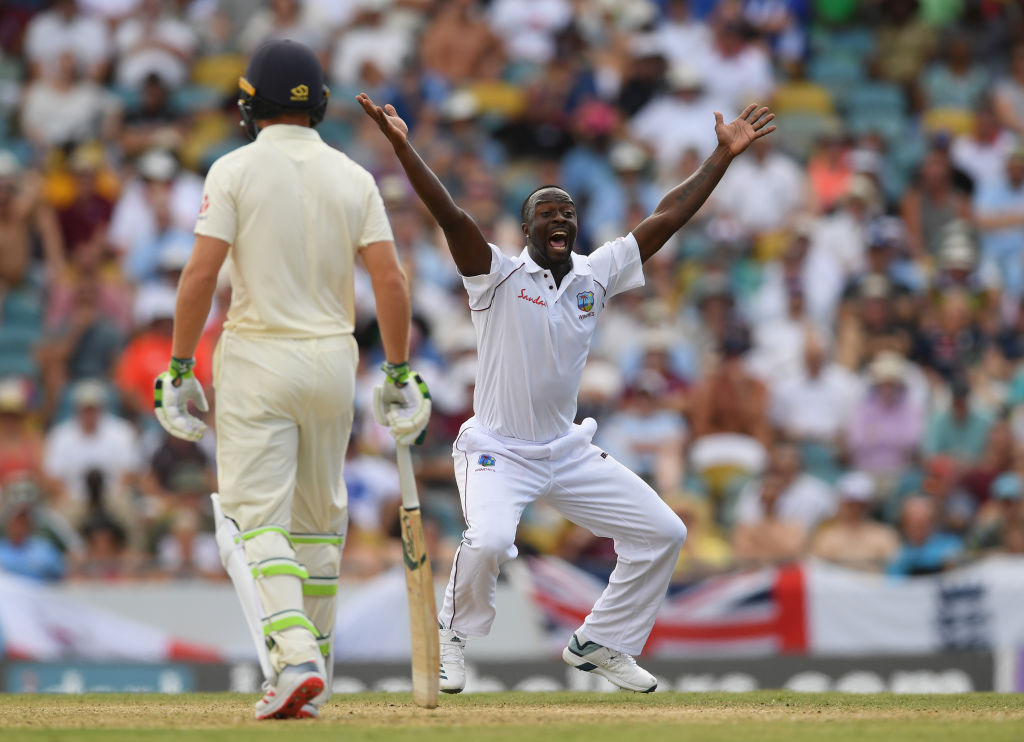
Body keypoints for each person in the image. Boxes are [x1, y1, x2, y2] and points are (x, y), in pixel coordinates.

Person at [358, 89, 776, 693]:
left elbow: (667, 215)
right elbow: (450, 216)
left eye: (568, 213)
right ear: (525, 228)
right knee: (492, 539)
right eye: (547, 214)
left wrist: (722, 157)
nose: (560, 219)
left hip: (568, 451)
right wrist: (404, 148)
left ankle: (601, 642)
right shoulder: (496, 276)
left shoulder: (594, 274)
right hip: (497, 451)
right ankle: (452, 633)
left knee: (664, 533)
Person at [151, 41, 428, 721]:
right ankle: (314, 677)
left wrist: (179, 366)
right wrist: (398, 370)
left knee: (251, 522)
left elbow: (199, 278)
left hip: (258, 356)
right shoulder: (353, 176)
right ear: (322, 106)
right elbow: (390, 280)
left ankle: (295, 655)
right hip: (333, 360)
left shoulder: (235, 168)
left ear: (249, 106)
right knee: (315, 528)